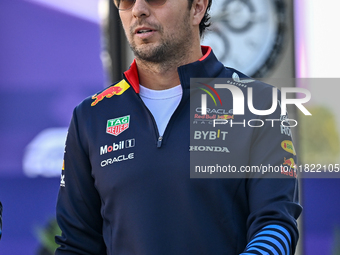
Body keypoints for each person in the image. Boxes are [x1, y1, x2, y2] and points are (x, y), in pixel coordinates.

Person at [55, 0, 302, 254]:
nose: (138, 9)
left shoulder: (258, 104)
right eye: (126, 1)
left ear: (197, 7)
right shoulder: (91, 115)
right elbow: (77, 244)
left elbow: (275, 225)